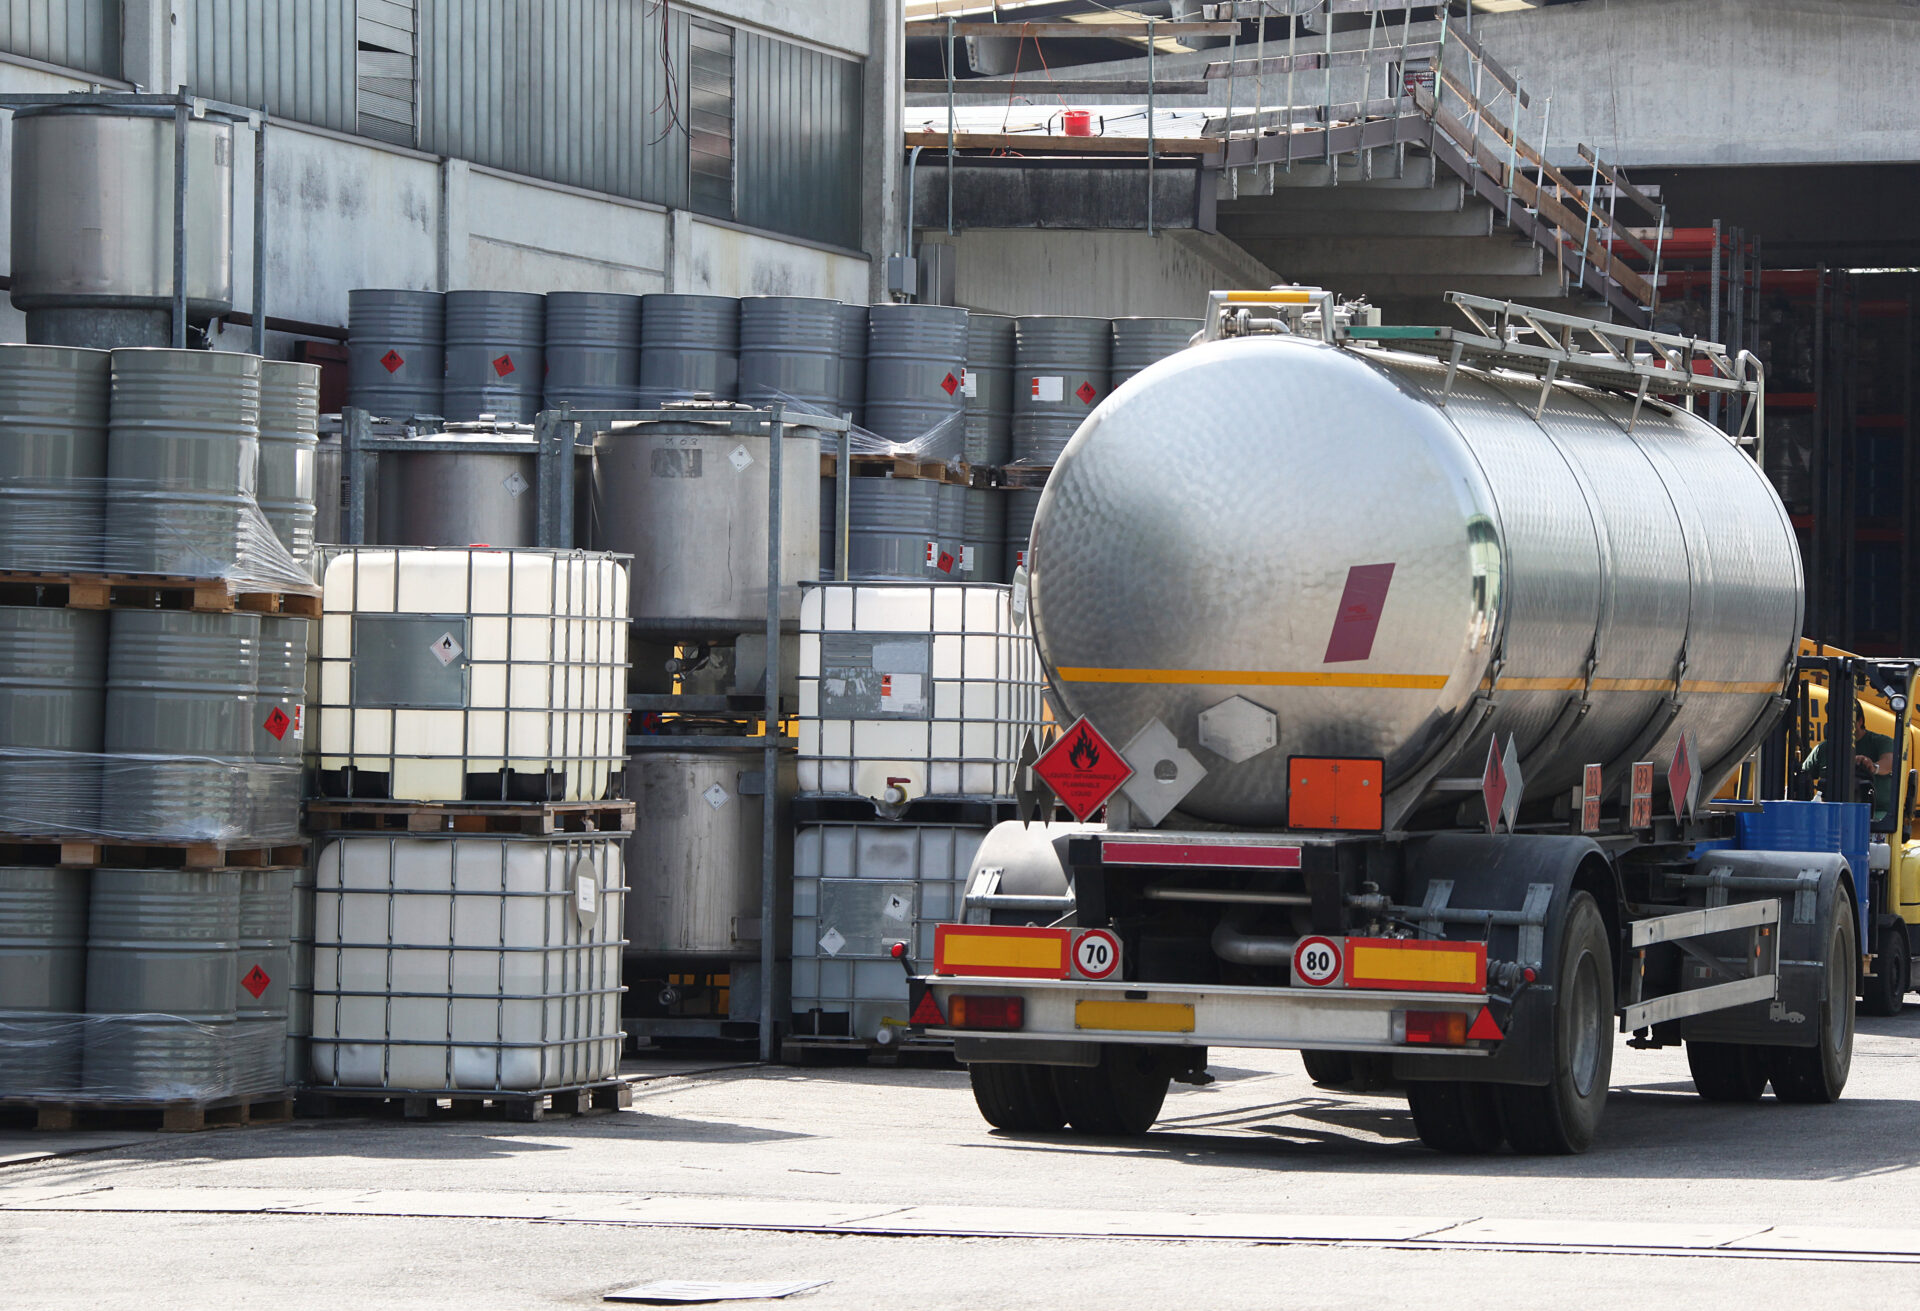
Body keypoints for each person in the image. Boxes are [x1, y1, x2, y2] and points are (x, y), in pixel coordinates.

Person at [1802, 707, 1896, 824]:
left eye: (1847, 720)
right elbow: (1803, 775)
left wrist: (1873, 767)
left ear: (1860, 721)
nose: (1842, 725)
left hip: (1876, 812)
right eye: (1836, 720)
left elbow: (1888, 763)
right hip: (1830, 812)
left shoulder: (1881, 742)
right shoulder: (1824, 748)